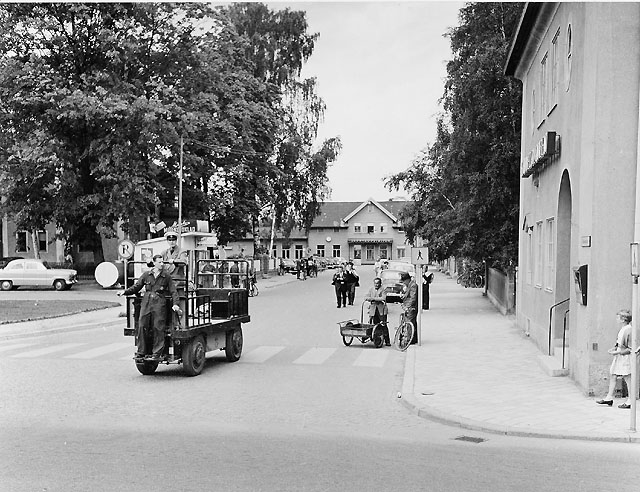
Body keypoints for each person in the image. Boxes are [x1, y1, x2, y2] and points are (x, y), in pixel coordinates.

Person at [118, 254, 180, 361]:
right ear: (154, 263)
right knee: (142, 325)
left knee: (158, 327)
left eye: (162, 262)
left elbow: (173, 291)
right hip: (146, 302)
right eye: (159, 262)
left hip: (159, 302)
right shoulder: (147, 275)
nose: (162, 264)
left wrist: (175, 304)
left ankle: (157, 353)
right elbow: (137, 287)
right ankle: (141, 352)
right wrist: (125, 292)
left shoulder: (166, 276)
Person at [596, 309, 636, 409]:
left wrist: (618, 352)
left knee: (627, 377)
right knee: (613, 374)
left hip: (625, 357)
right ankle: (609, 398)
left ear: (623, 319)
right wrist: (615, 348)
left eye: (618, 317)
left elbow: (630, 348)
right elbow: (620, 343)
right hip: (619, 356)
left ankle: (630, 400)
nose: (616, 319)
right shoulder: (623, 329)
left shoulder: (629, 330)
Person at [365, 277, 390, 346]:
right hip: (373, 309)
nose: (376, 285)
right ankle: (377, 338)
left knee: (383, 324)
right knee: (374, 324)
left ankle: (387, 341)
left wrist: (373, 299)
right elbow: (366, 296)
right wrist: (369, 298)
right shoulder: (371, 289)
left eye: (377, 283)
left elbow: (383, 298)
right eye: (375, 283)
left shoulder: (383, 289)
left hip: (381, 309)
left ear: (380, 283)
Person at [400, 271, 419, 344]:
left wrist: (407, 307)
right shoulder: (410, 285)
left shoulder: (413, 285)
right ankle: (413, 338)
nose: (404, 283)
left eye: (404, 281)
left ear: (407, 280)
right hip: (409, 307)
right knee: (412, 323)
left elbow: (413, 298)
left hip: (411, 308)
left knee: (410, 323)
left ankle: (410, 339)